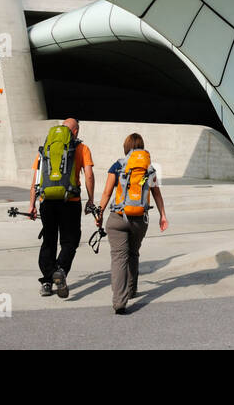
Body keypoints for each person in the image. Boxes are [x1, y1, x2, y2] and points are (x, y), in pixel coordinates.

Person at [96, 133, 168, 315]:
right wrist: (163, 216)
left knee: (119, 258)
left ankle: (120, 301)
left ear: (126, 147)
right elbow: (156, 194)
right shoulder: (148, 169)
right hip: (139, 220)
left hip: (118, 217)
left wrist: (100, 213)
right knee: (133, 253)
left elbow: (106, 193)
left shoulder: (118, 165)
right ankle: (132, 289)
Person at [27, 117, 95, 298]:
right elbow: (88, 175)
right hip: (70, 201)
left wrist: (32, 204)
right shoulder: (81, 148)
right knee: (70, 241)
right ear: (76, 132)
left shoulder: (46, 148)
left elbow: (36, 179)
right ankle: (61, 270)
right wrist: (90, 199)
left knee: (49, 240)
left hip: (46, 201)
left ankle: (48, 282)